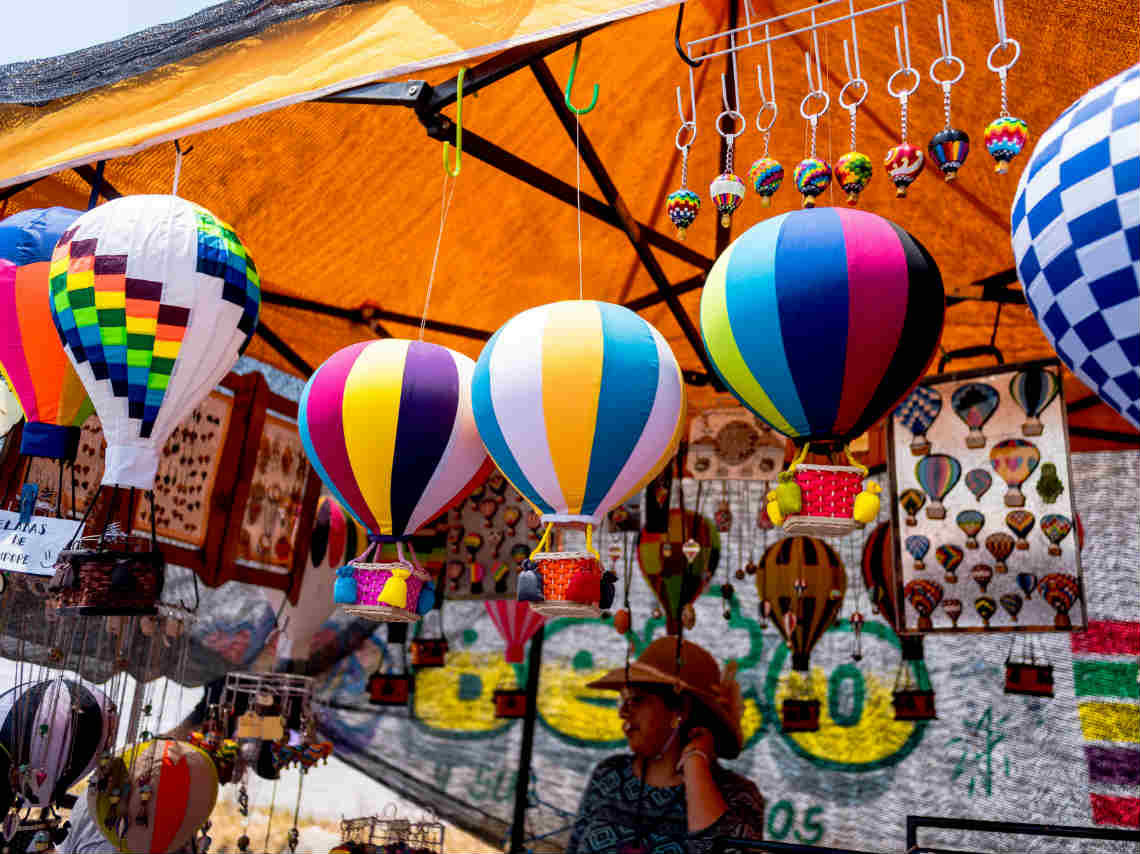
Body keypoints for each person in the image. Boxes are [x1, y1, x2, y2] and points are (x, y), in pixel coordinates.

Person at [567, 637, 765, 854]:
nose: (623, 712)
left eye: (637, 700)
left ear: (680, 709)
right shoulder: (609, 775)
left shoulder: (737, 795)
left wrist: (695, 762)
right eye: (623, 701)